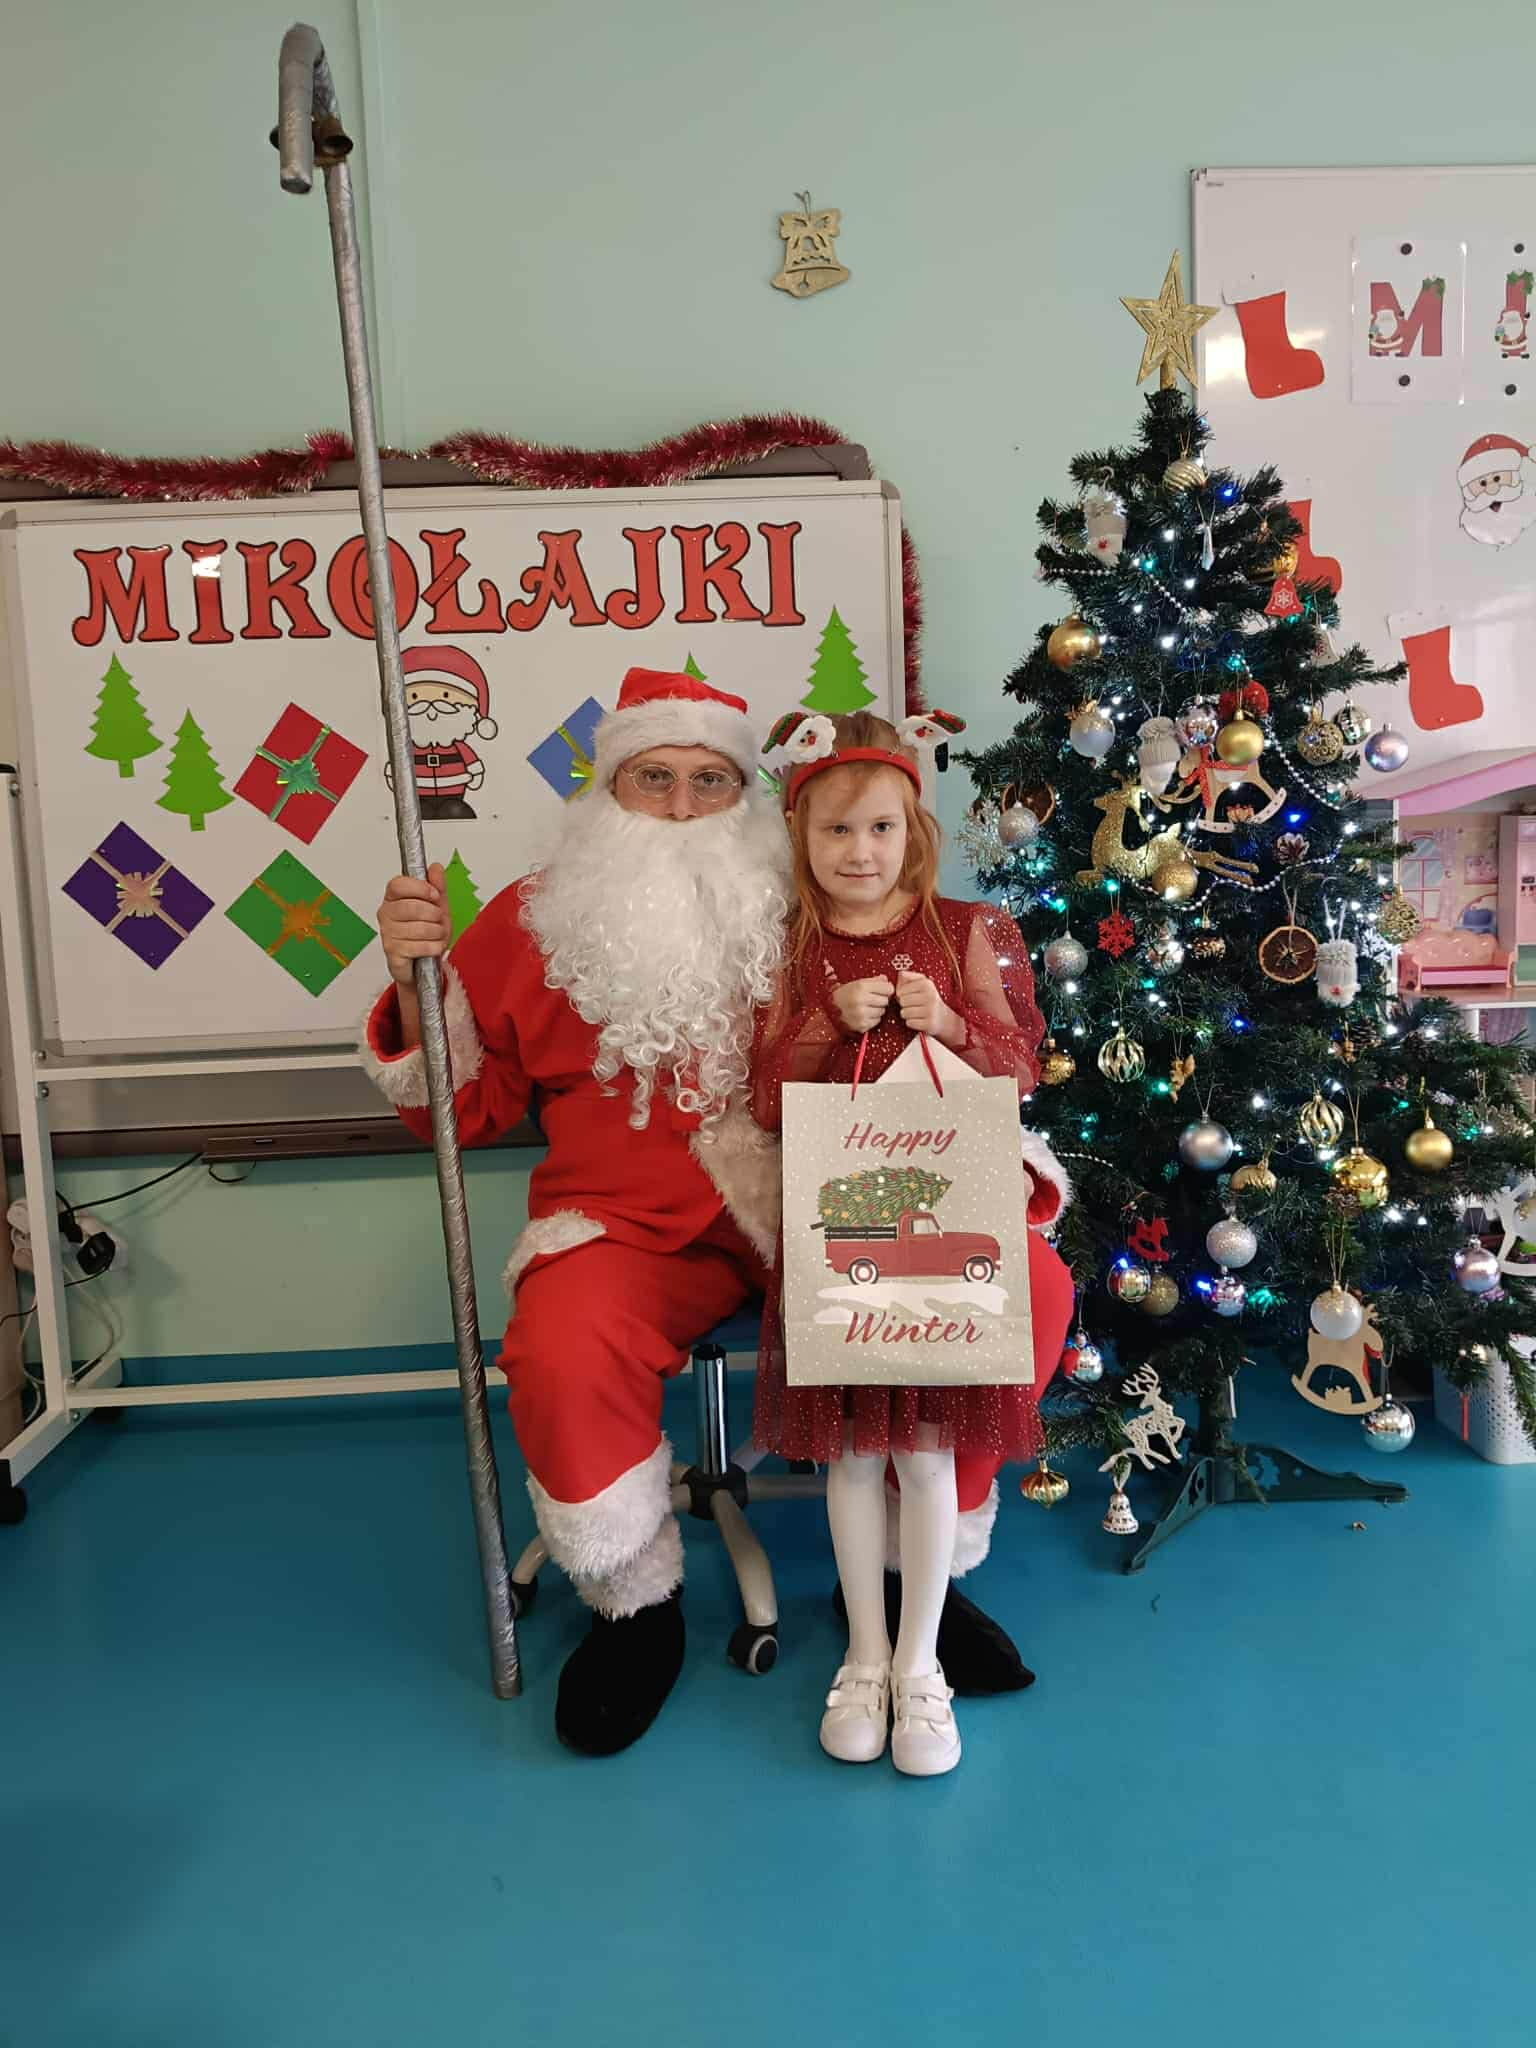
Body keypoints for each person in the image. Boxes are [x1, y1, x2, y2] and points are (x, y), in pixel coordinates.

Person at [363, 668, 790, 1755]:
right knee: (558, 1341)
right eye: (656, 777)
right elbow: (462, 1109)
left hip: (810, 1210)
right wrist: (413, 984)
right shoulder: (534, 919)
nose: (684, 805)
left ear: (747, 795)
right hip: (625, 1224)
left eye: (711, 779)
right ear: (609, 789)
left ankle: (922, 1587)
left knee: (960, 1294)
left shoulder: (809, 901)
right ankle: (633, 1606)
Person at [750, 709, 1074, 1777]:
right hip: (838, 1225)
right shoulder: (789, 945)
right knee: (851, 1454)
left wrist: (947, 1025)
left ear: (913, 829)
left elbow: (1018, 1069)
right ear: (801, 835)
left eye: (881, 828)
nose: (861, 851)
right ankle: (864, 1655)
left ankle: (920, 1662)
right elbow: (764, 1096)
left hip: (945, 1213)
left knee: (927, 1449)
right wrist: (827, 1023)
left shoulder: (968, 929)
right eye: (837, 830)